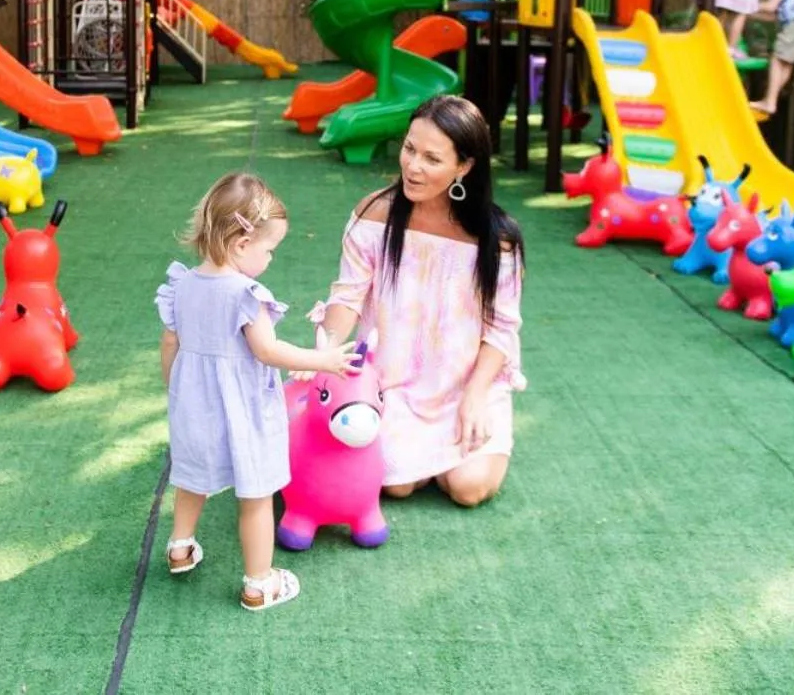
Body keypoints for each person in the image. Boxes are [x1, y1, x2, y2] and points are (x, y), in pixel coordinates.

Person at [156, 172, 359, 612]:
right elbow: (267, 350)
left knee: (192, 477)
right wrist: (322, 359)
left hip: (192, 404)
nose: (270, 258)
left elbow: (170, 342)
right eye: (268, 249)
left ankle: (180, 547)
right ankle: (259, 583)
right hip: (242, 411)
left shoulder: (182, 284)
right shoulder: (246, 293)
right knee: (256, 494)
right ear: (239, 243)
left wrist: (175, 388)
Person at [309, 94, 525, 507]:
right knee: (394, 483)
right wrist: (325, 353)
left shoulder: (497, 239)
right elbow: (349, 294)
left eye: (431, 158)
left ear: (464, 166)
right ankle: (420, 459)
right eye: (409, 149)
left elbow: (501, 329)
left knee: (469, 488)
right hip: (394, 384)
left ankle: (452, 453)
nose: (412, 166)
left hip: (467, 382)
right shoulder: (375, 213)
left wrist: (476, 396)